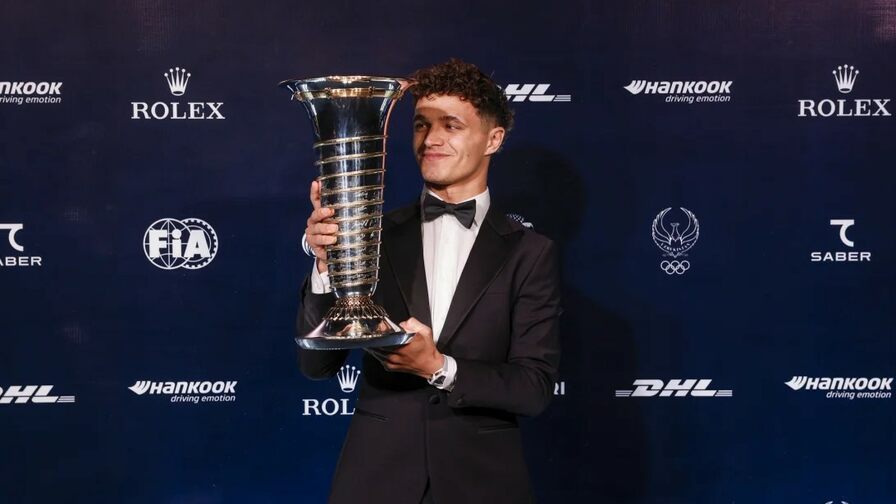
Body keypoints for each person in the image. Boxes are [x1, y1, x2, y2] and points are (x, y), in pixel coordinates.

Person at [297, 58, 562, 504]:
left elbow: (533, 388)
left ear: (493, 139)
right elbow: (315, 367)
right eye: (421, 125)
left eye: (451, 125)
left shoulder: (530, 253)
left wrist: (439, 367)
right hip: (376, 481)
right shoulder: (371, 235)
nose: (431, 139)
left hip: (482, 484)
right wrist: (326, 266)